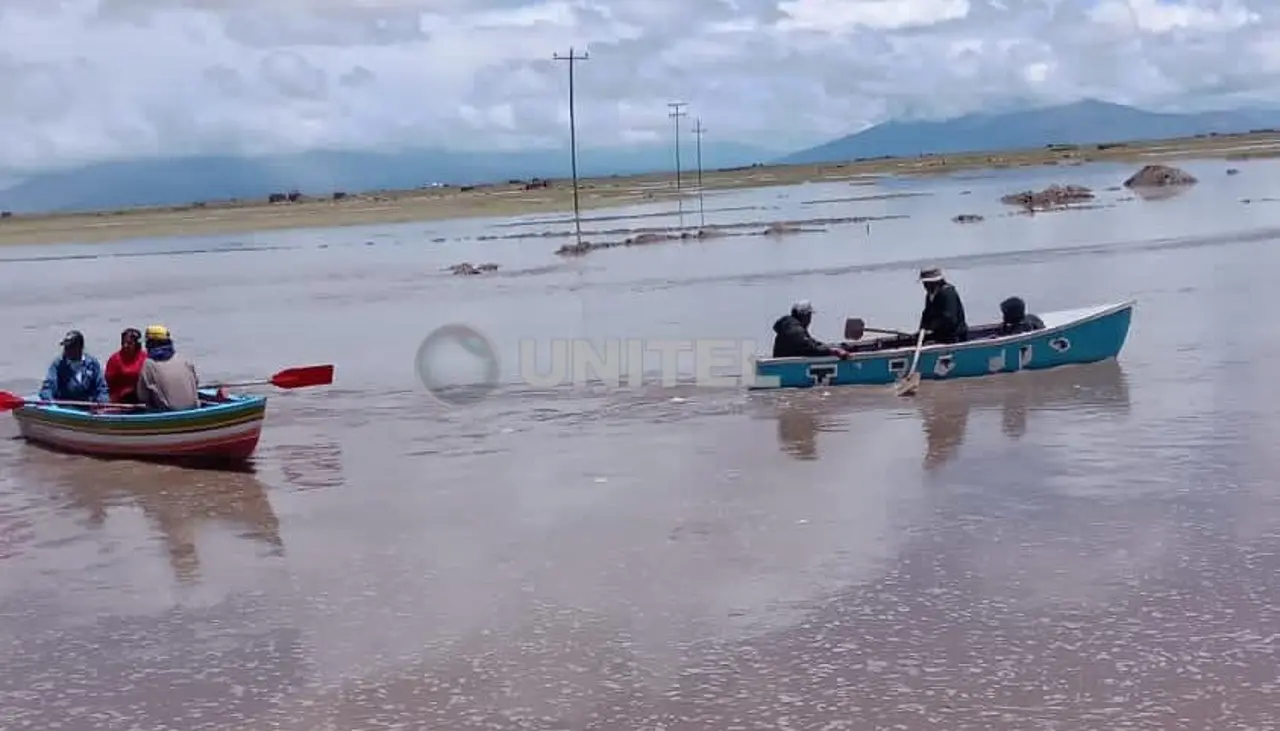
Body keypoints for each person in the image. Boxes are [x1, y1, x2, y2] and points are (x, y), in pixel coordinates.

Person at [136, 324, 200, 411]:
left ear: (152, 343)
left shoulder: (149, 364)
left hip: (169, 410)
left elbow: (142, 396)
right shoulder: (183, 360)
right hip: (194, 407)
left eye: (147, 342)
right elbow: (196, 383)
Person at [39, 330, 109, 404]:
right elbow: (49, 385)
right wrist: (48, 401)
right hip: (63, 407)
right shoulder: (58, 364)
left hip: (88, 408)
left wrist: (102, 403)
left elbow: (101, 388)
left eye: (70, 347)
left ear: (80, 348)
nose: (66, 350)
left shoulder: (92, 364)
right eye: (65, 347)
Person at [772, 300, 850, 359]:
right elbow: (810, 349)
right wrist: (833, 351)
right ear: (805, 316)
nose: (810, 320)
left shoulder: (790, 326)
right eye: (809, 315)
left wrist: (836, 346)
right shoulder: (795, 331)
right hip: (785, 370)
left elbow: (813, 343)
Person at [917, 267, 968, 344]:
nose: (924, 285)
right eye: (924, 283)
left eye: (926, 283)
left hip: (955, 336)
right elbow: (926, 314)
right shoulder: (930, 295)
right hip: (940, 335)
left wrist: (931, 327)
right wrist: (922, 329)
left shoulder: (947, 293)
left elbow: (950, 319)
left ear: (935, 282)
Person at [105, 328, 147, 403]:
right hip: (120, 400)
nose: (125, 345)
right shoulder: (115, 359)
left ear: (137, 344)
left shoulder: (145, 358)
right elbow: (108, 383)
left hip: (141, 399)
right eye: (123, 343)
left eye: (129, 343)